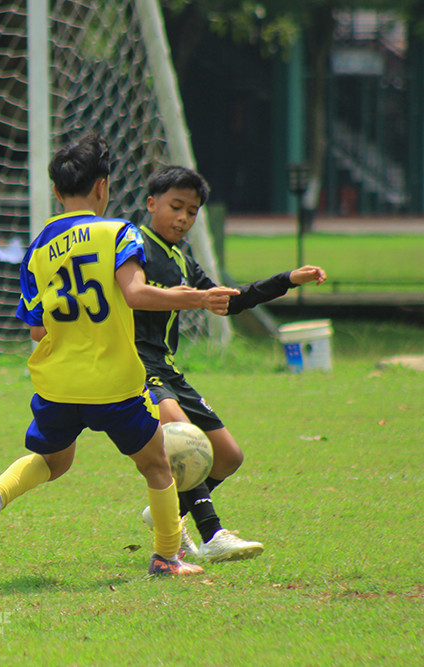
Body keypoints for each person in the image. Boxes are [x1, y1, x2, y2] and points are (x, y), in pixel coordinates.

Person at [0, 133, 240, 576]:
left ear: (57, 191)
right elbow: (136, 293)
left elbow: (35, 328)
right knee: (158, 464)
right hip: (113, 380)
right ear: (102, 187)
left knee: (53, 460)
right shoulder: (119, 232)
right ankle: (166, 557)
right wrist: (197, 298)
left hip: (58, 380)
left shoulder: (37, 247)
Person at [135, 165, 326, 562]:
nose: (183, 218)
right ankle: (213, 535)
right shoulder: (132, 248)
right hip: (135, 364)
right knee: (181, 438)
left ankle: (166, 512)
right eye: (175, 206)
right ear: (151, 203)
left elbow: (231, 300)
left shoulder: (184, 261)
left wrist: (287, 279)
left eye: (191, 211)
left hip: (167, 367)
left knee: (229, 456)